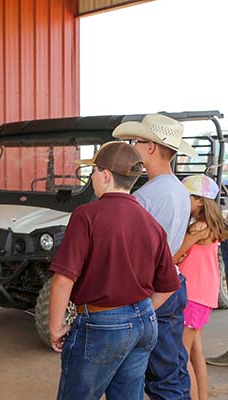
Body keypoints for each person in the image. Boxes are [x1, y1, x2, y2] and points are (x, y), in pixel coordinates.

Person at [49, 142, 179, 399]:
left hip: (102, 324)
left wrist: (55, 328)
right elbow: (168, 284)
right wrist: (137, 315)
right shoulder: (149, 221)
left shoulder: (87, 215)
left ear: (105, 175)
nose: (92, 178)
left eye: (93, 172)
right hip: (143, 321)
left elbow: (64, 279)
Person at [113, 113, 197, 400]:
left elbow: (133, 252)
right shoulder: (178, 190)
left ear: (150, 147)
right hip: (172, 282)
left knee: (154, 376)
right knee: (171, 368)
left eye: (137, 141)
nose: (133, 146)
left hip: (151, 289)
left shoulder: (146, 197)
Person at [173, 175, 228, 400]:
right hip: (204, 296)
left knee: (180, 357)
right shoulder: (211, 226)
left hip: (192, 296)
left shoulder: (198, 227)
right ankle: (202, 397)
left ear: (198, 201)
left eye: (186, 197)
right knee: (196, 353)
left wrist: (178, 255)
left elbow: (173, 256)